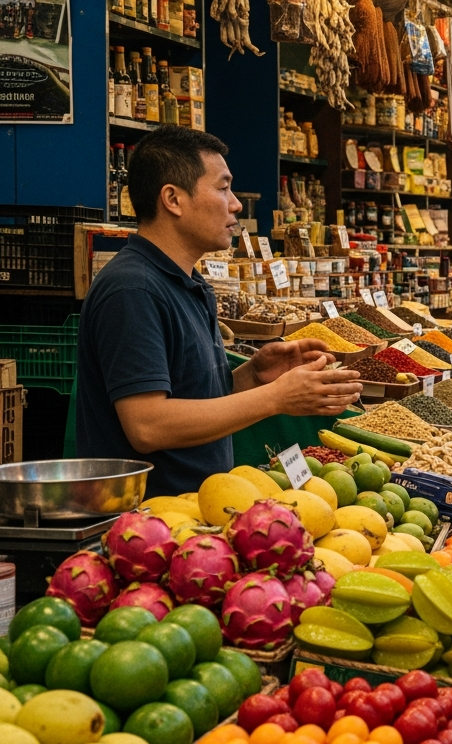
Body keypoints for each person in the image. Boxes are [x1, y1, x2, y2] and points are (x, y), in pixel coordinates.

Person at [77, 126, 364, 497]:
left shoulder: (188, 282)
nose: (236, 204)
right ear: (173, 199)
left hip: (201, 512)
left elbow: (192, 399)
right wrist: (275, 398)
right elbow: (147, 426)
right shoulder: (133, 289)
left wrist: (254, 376)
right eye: (223, 187)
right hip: (150, 527)